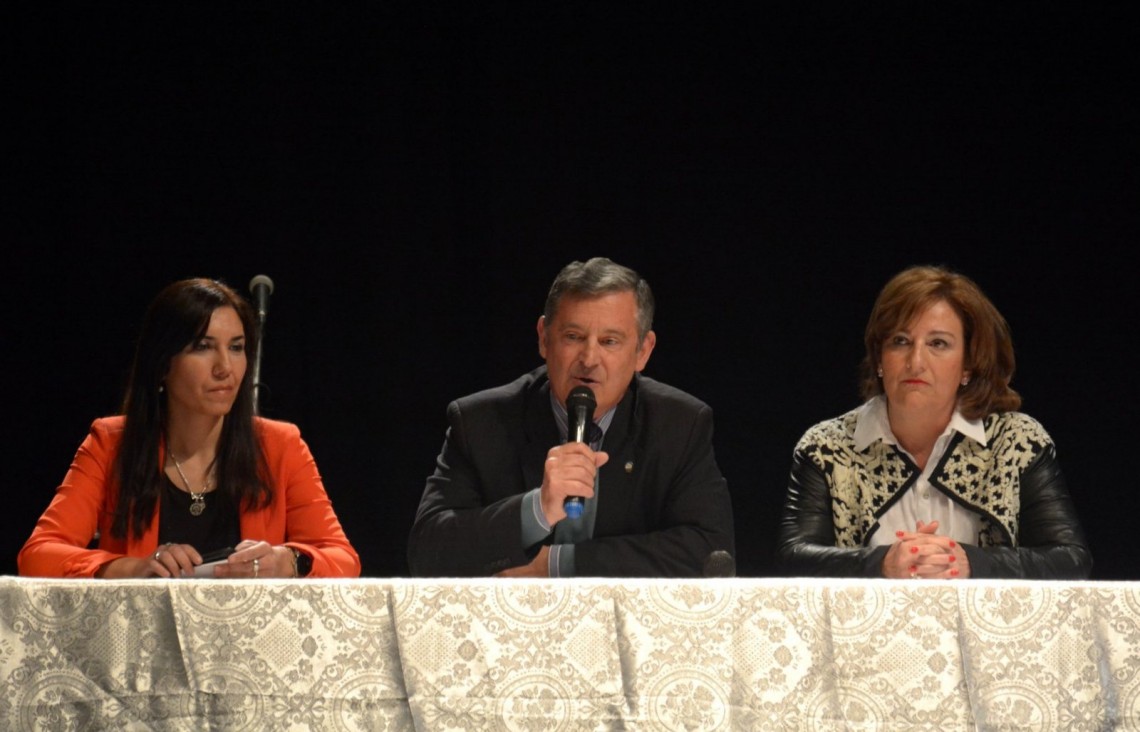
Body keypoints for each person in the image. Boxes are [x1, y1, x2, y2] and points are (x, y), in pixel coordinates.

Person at [408, 257, 735, 577]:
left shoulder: (680, 424)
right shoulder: (480, 422)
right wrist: (536, 509)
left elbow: (711, 553)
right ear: (543, 338)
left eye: (609, 341)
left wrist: (557, 564)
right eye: (573, 337)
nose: (589, 358)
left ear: (643, 351)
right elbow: (427, 552)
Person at [18, 278, 360, 579]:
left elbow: (343, 559)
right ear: (162, 364)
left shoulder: (281, 445)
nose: (225, 368)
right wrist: (129, 568)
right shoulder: (110, 442)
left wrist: (289, 561)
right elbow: (38, 555)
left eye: (236, 348)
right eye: (203, 347)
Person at [777, 265, 1091, 579]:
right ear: (880, 359)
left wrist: (971, 562)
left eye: (938, 344)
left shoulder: (1017, 442)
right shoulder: (826, 447)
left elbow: (1070, 559)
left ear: (968, 364)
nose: (916, 362)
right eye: (900, 341)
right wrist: (881, 563)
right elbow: (794, 559)